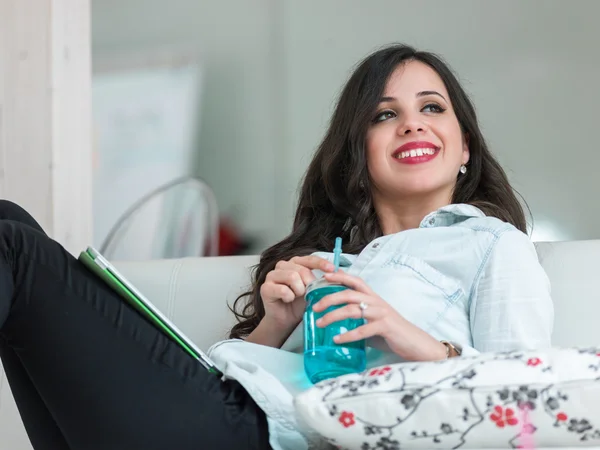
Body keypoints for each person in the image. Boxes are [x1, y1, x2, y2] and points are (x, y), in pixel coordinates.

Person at [0, 43, 553, 450]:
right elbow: (234, 382)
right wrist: (275, 324)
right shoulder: (331, 260)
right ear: (358, 155)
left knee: (12, 250)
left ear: (465, 150)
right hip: (229, 416)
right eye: (386, 115)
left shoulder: (491, 244)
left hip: (262, 436)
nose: (412, 125)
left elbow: (525, 403)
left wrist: (409, 337)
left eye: (432, 108)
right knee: (11, 221)